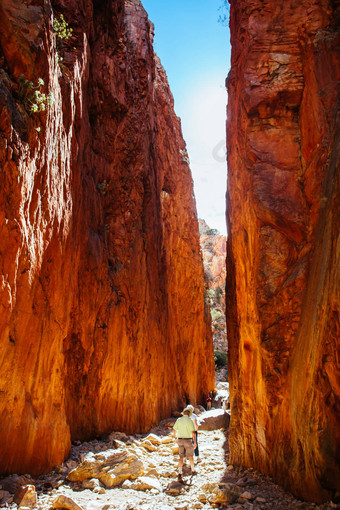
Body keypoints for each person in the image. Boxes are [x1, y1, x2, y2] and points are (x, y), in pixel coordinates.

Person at [173, 405, 197, 480]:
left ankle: (180, 473)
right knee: (190, 456)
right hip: (188, 440)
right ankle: (193, 470)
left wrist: (175, 438)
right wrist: (195, 442)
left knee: (181, 457)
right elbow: (193, 433)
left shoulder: (179, 420)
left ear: (183, 413)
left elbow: (174, 430)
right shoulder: (190, 421)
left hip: (180, 440)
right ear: (189, 414)